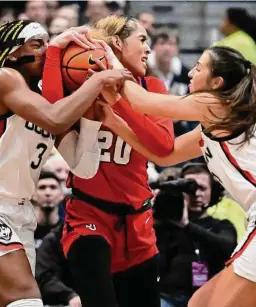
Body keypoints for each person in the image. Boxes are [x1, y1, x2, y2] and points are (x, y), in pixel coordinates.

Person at [99, 45, 256, 307]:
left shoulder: (217, 104)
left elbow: (143, 102)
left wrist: (112, 60)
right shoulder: (223, 119)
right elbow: (165, 154)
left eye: (198, 68)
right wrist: (116, 123)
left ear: (216, 82)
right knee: (199, 302)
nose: (190, 74)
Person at [0, 20, 131, 307]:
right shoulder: (3, 78)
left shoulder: (49, 98)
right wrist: (97, 80)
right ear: (14, 55)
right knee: (28, 303)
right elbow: (55, 119)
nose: (47, 51)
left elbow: (83, 167)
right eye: (37, 44)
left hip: (20, 214)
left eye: (48, 43)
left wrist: (92, 119)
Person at [55, 15, 175, 307]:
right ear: (118, 43)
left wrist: (118, 103)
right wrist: (54, 52)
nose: (148, 49)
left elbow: (163, 145)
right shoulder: (79, 88)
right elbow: (52, 117)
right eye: (143, 40)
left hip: (137, 222)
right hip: (89, 216)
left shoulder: (153, 86)